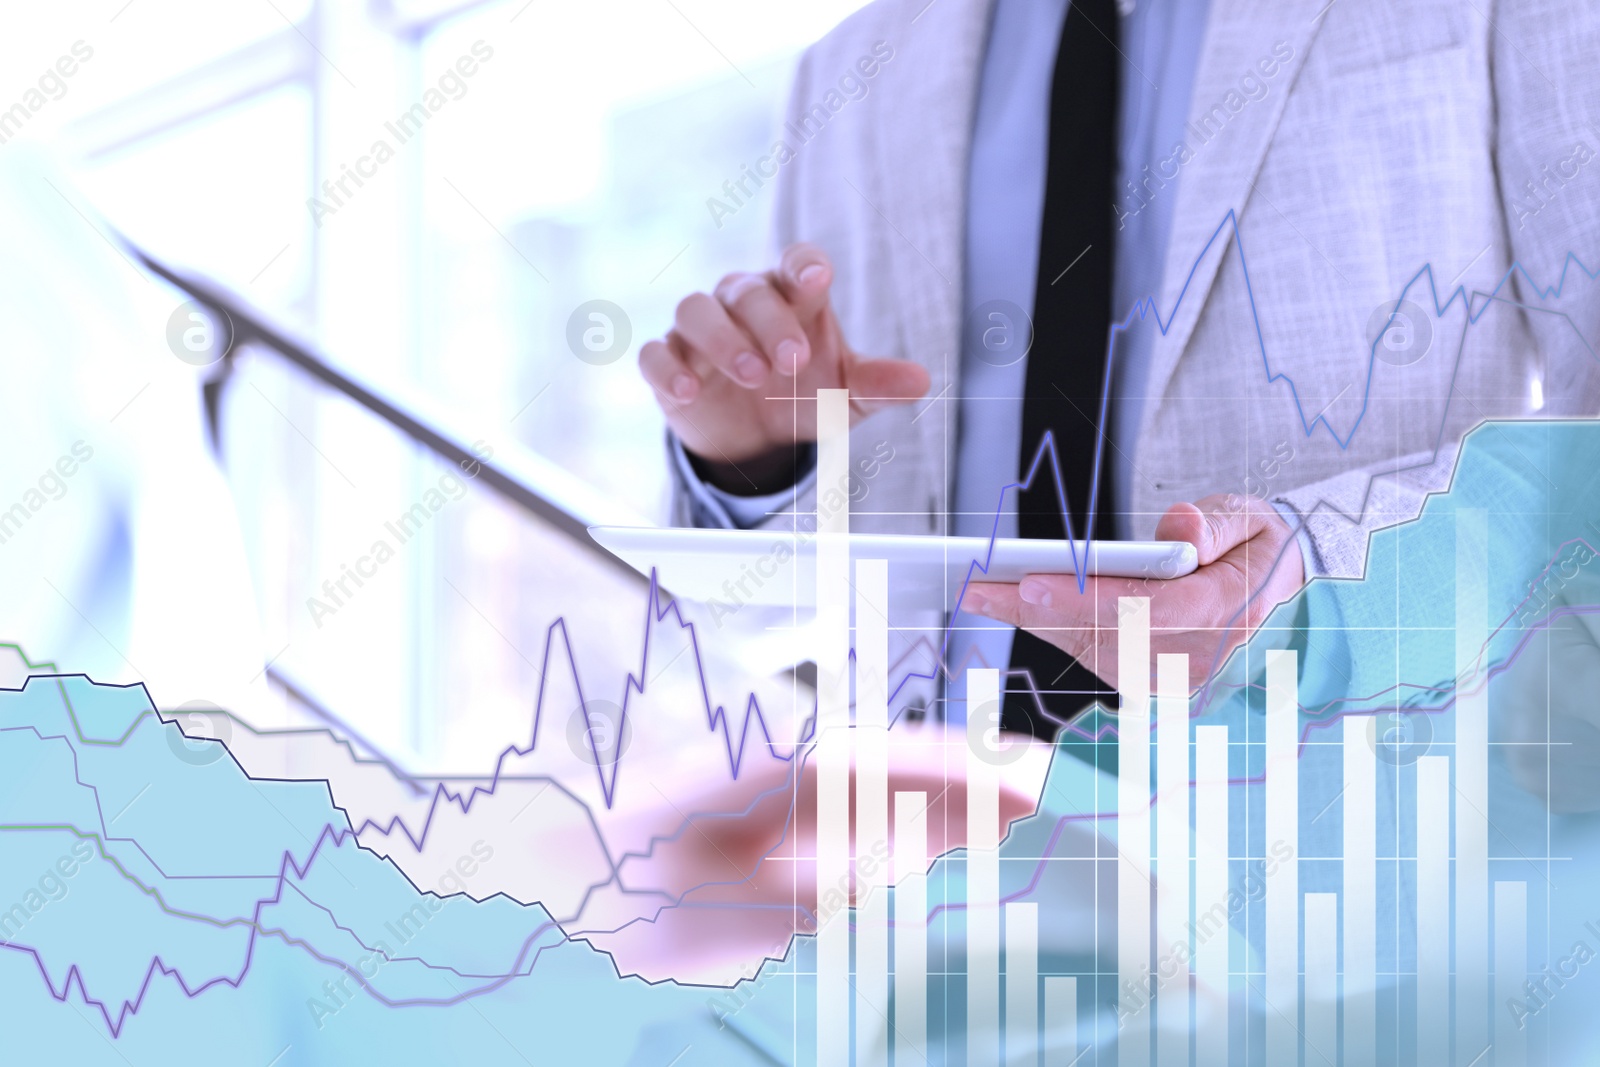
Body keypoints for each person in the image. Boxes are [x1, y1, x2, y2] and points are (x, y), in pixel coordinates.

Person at [638, 0, 1600, 738]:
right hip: (943, 882)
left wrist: (1320, 584)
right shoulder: (849, 75)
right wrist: (762, 467)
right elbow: (804, 625)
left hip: (1356, 852)